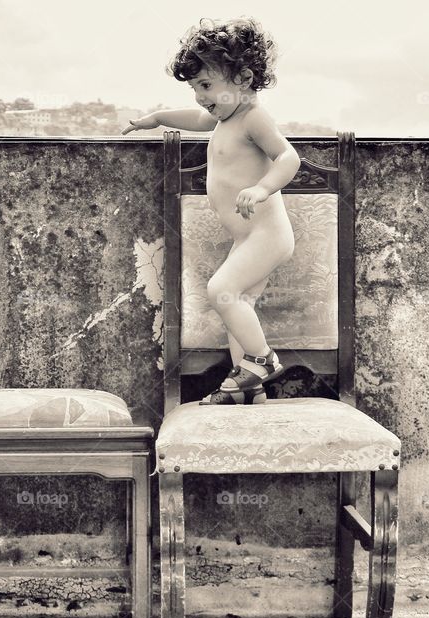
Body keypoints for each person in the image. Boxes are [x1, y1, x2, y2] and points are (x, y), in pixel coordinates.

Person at [122, 17, 300, 405]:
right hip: (249, 237)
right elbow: (198, 120)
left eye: (206, 85)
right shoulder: (225, 115)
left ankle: (263, 361)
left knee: (222, 290)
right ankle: (248, 391)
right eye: (194, 88)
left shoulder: (253, 116)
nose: (200, 97)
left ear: (243, 78)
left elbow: (288, 157)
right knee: (238, 309)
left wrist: (263, 187)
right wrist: (157, 119)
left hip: (266, 236)